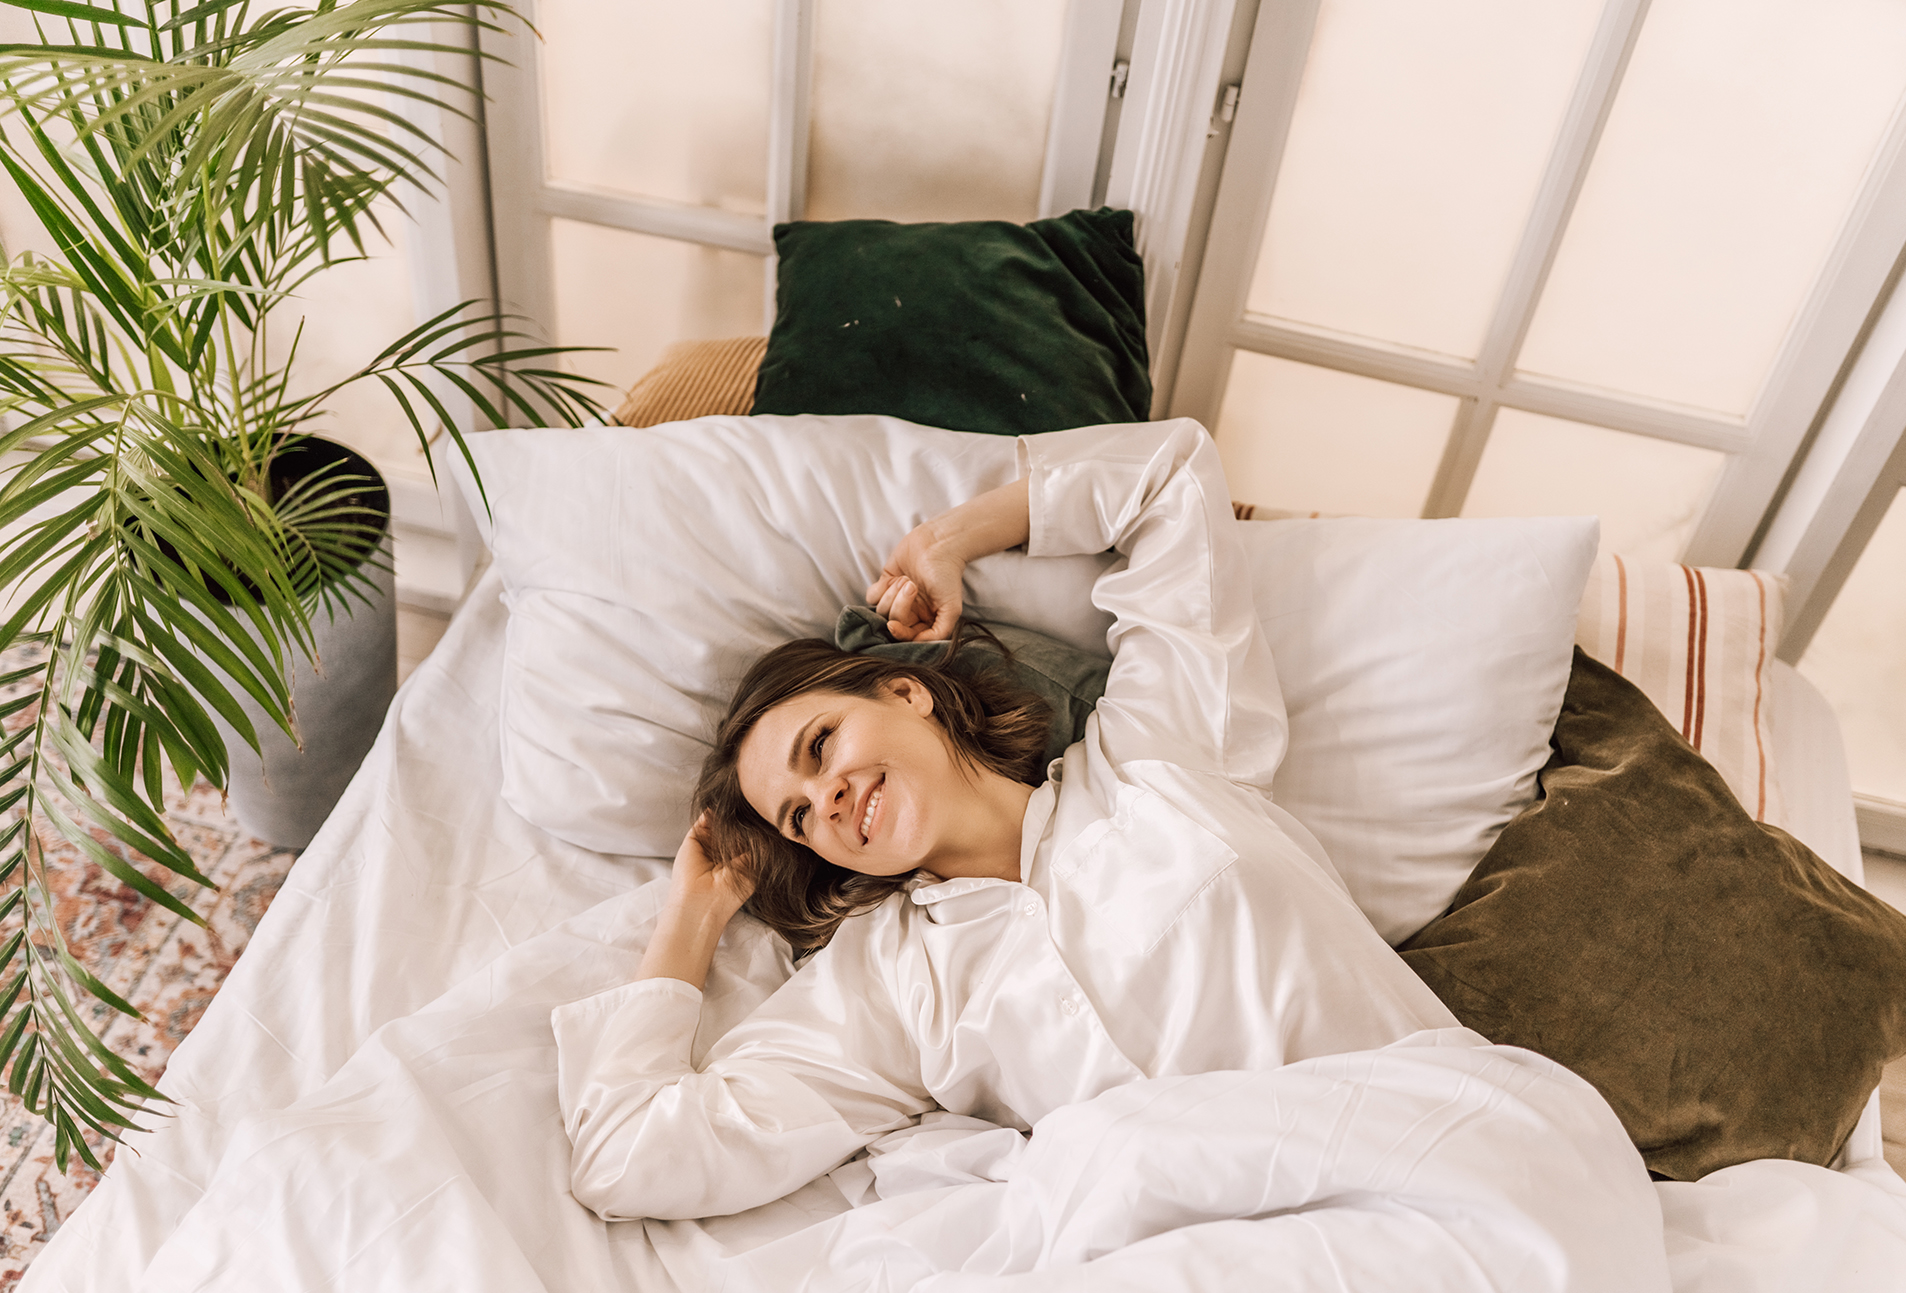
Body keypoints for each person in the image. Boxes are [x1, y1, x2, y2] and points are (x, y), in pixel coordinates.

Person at [551, 420, 1458, 1223]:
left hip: (1436, 1146)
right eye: (797, 817)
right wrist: (692, 918)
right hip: (1249, 1267)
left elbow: (1171, 476)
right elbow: (629, 1157)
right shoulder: (893, 986)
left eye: (821, 745)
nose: (821, 801)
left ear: (907, 689)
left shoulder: (1155, 752)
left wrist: (945, 540)